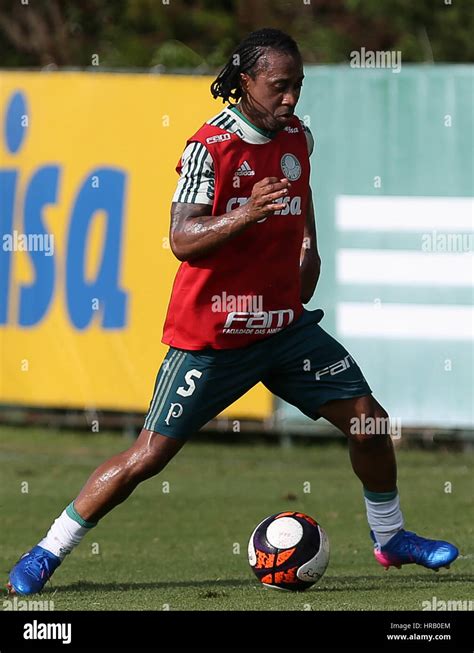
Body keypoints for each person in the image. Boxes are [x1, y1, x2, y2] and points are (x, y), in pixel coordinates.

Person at [8, 28, 458, 596]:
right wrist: (245, 213)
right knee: (148, 458)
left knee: (370, 423)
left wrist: (308, 246)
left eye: (297, 85)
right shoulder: (210, 148)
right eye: (279, 86)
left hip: (282, 328)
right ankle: (47, 551)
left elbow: (300, 191)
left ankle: (390, 537)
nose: (291, 97)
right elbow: (182, 236)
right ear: (245, 82)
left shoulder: (297, 135)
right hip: (213, 336)